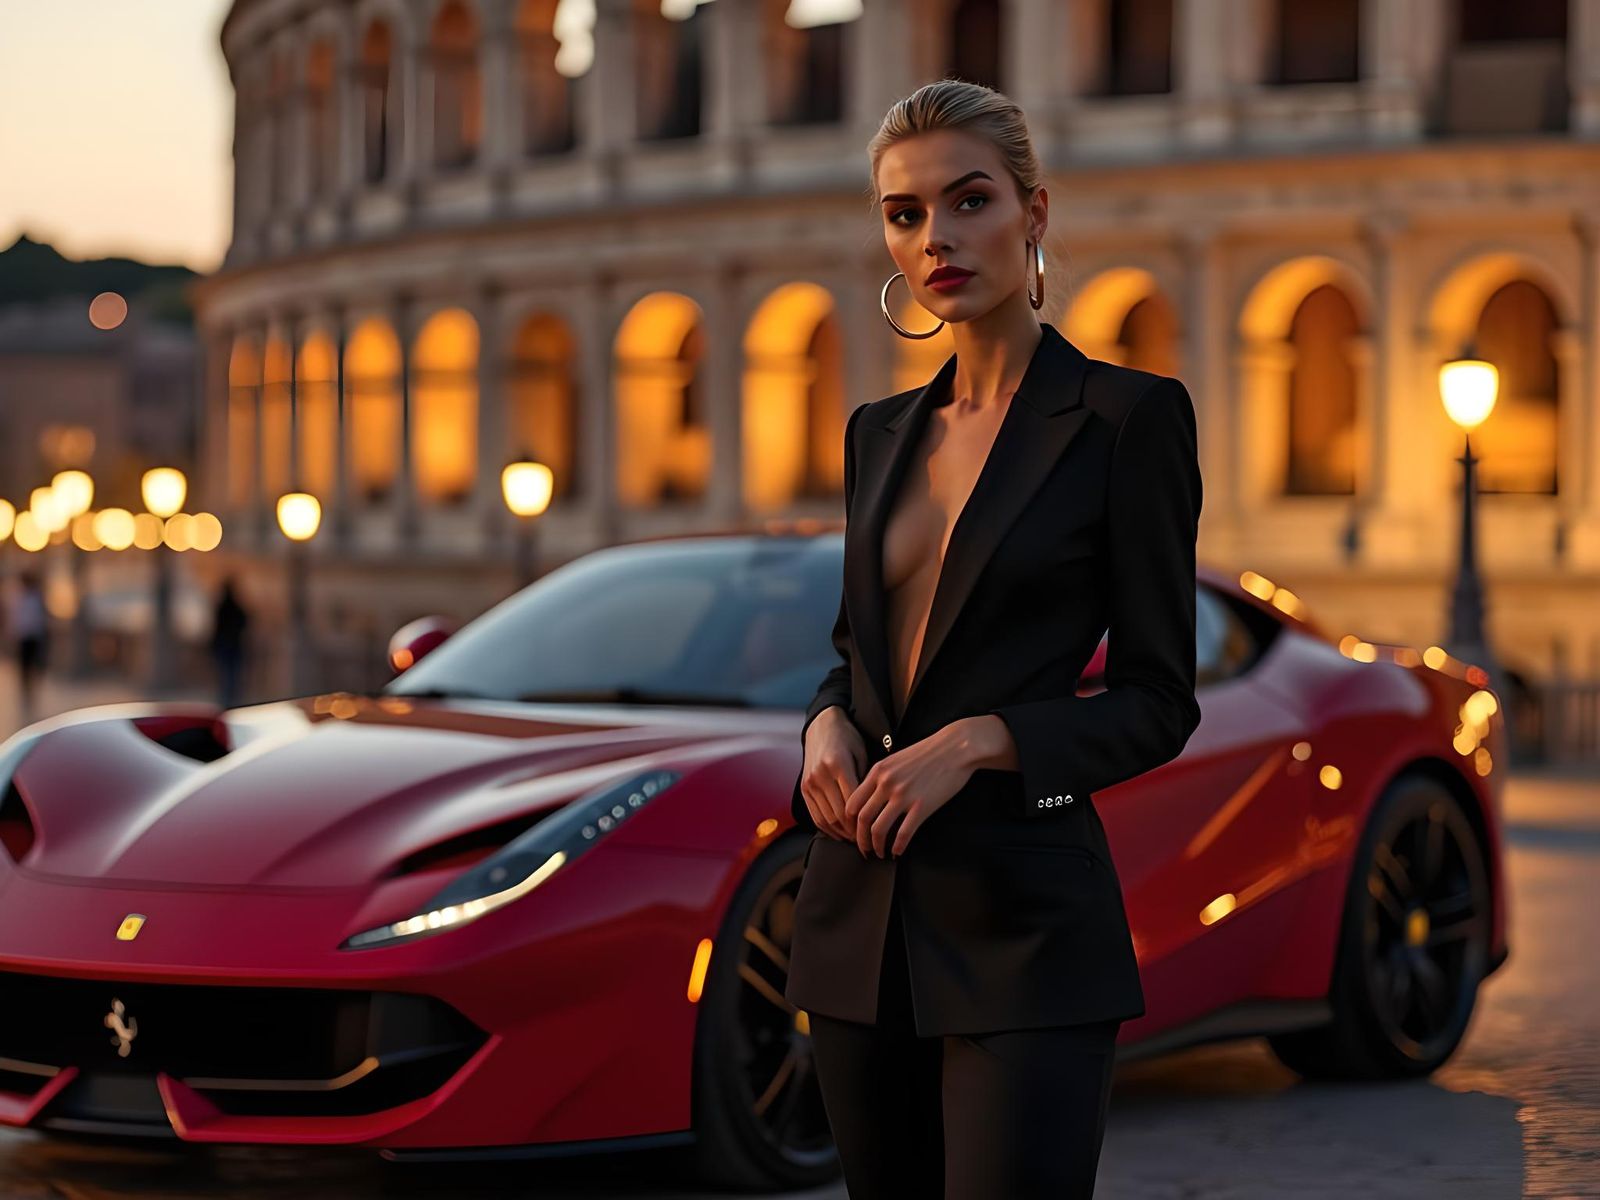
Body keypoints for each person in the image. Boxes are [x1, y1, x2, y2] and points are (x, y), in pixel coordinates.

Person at [787, 80, 1203, 1198]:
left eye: (967, 202)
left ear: (1033, 212)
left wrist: (978, 742)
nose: (936, 239)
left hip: (1025, 932)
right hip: (856, 924)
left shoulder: (1128, 420)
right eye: (904, 214)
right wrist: (826, 723)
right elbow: (857, 655)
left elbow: (1160, 701)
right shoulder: (878, 434)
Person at [5, 570, 50, 724]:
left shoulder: (35, 597)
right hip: (25, 638)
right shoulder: (21, 598)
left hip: (34, 638)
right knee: (24, 669)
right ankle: (26, 694)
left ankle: (31, 694)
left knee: (35, 668)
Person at [209, 574, 250, 709]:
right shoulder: (233, 607)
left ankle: (228, 700)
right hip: (232, 645)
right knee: (231, 675)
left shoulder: (224, 607)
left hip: (227, 645)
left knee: (227, 675)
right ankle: (230, 700)